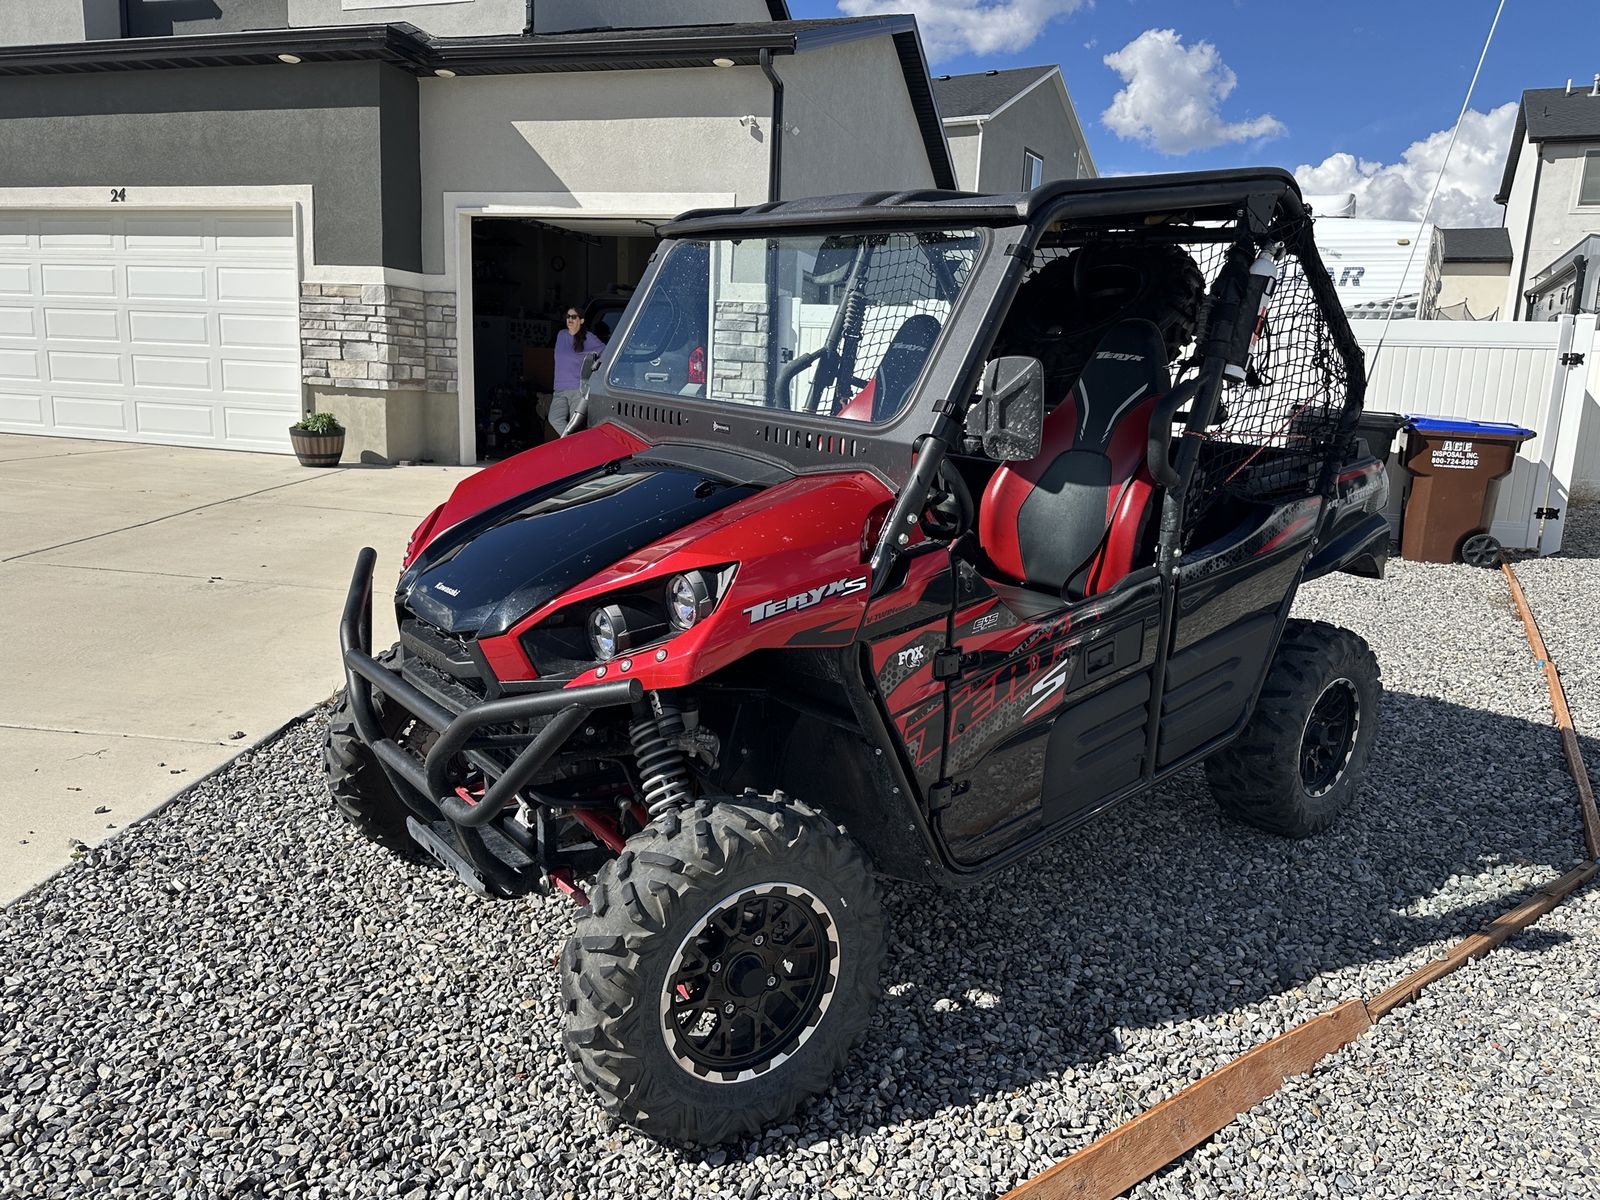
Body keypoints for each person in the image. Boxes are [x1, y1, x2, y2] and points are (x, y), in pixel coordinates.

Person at [549, 305, 605, 437]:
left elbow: (605, 350)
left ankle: (574, 447)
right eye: (568, 316)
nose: (570, 319)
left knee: (576, 425)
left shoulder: (588, 338)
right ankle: (571, 443)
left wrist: (595, 364)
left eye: (574, 317)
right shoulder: (561, 335)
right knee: (554, 418)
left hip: (577, 389)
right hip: (559, 389)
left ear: (581, 320)